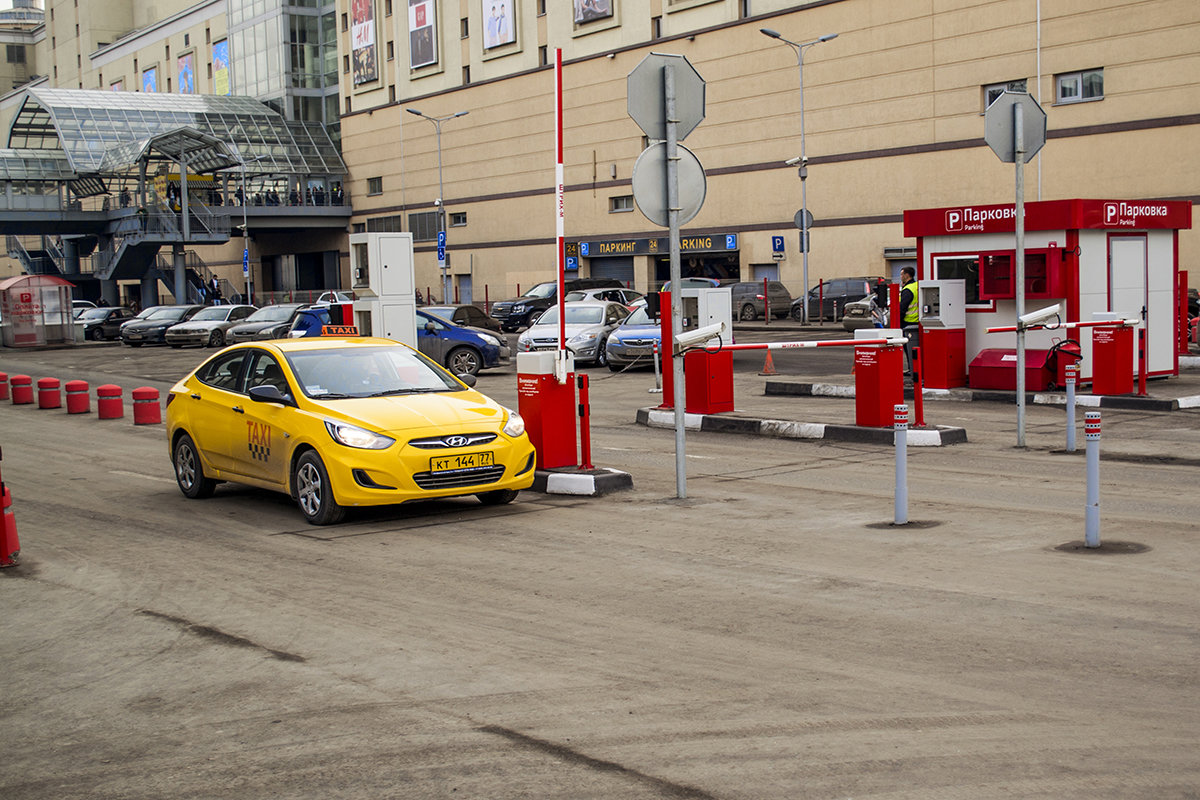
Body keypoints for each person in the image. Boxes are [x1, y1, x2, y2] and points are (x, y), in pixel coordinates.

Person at [899, 267, 919, 375]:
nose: (901, 277)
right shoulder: (916, 286)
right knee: (916, 349)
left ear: (907, 275)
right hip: (917, 322)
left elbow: (902, 308)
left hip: (908, 323)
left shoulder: (908, 290)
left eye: (902, 275)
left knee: (908, 348)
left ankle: (912, 369)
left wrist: (898, 322)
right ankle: (915, 368)